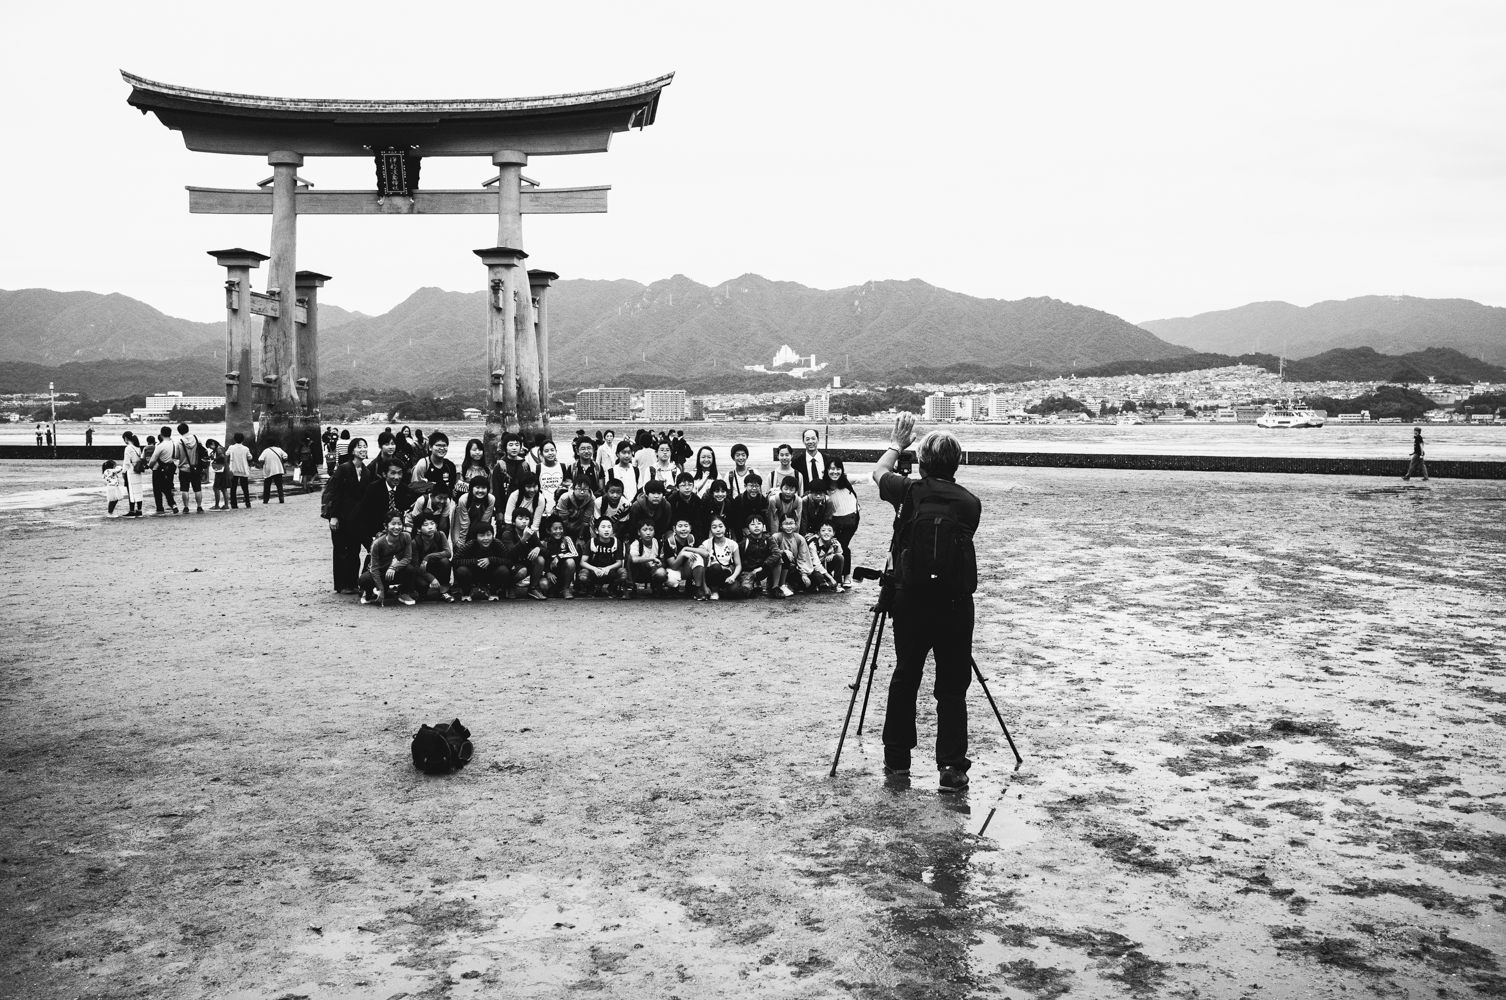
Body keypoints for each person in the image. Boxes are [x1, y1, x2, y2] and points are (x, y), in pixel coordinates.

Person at [873, 413, 981, 793]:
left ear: (921, 462)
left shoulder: (908, 492)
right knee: (952, 686)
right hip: (954, 604)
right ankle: (952, 766)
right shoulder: (971, 503)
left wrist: (896, 442)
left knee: (906, 674)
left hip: (910, 599)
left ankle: (897, 758)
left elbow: (878, 472)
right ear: (957, 462)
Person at [321, 437, 369, 593]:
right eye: (359, 447)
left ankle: (352, 583)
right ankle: (341, 585)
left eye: (365, 446)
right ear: (352, 451)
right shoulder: (343, 468)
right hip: (341, 516)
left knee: (354, 551)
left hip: (356, 519)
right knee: (341, 551)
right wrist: (333, 516)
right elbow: (335, 492)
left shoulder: (367, 471)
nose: (363, 449)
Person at [360, 512, 418, 606]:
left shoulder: (406, 537)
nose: (397, 527)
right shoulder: (377, 543)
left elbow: (407, 558)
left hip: (395, 572)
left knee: (410, 569)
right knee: (364, 579)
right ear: (385, 526)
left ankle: (404, 593)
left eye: (399, 524)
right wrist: (381, 589)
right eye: (393, 524)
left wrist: (394, 567)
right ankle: (369, 592)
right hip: (380, 572)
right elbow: (374, 568)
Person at [822, 460, 861, 585]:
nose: (835, 472)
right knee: (832, 545)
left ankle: (847, 575)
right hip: (833, 521)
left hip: (850, 520)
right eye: (831, 469)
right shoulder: (824, 485)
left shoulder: (847, 479)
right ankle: (831, 573)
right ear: (826, 470)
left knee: (843, 545)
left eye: (838, 469)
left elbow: (866, 477)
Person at [453, 521, 510, 601]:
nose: (486, 538)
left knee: (503, 570)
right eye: (482, 535)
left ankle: (492, 591)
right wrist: (475, 562)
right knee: (461, 571)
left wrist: (490, 560)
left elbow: (508, 561)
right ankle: (467, 592)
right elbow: (455, 561)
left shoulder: (497, 544)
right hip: (474, 574)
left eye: (489, 535)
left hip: (491, 574)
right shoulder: (470, 545)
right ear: (476, 537)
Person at [498, 509, 547, 600]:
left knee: (540, 559)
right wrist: (524, 539)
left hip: (525, 561)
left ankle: (532, 588)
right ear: (514, 521)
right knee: (522, 571)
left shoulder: (532, 533)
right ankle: (509, 586)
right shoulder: (508, 533)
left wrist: (538, 548)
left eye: (527, 519)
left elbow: (544, 550)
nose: (524, 521)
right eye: (520, 519)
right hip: (510, 564)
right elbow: (511, 553)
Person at [577, 518, 629, 598]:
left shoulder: (616, 542)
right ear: (597, 530)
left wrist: (608, 568)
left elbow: (619, 562)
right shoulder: (591, 542)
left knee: (623, 573)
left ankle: (611, 589)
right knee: (582, 575)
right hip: (594, 572)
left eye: (609, 527)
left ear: (612, 530)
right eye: (603, 527)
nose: (606, 530)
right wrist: (594, 569)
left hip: (610, 572)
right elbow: (583, 562)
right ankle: (591, 589)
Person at [410, 513, 454, 602]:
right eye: (426, 525)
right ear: (419, 529)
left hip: (438, 568)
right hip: (423, 571)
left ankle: (444, 591)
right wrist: (431, 579)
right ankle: (422, 593)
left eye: (432, 524)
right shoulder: (415, 543)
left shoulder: (440, 535)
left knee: (445, 561)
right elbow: (415, 566)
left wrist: (428, 557)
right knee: (421, 584)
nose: (430, 527)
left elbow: (448, 553)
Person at [696, 516, 741, 600]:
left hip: (727, 574)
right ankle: (714, 590)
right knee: (716, 567)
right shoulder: (706, 544)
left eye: (721, 526)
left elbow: (738, 565)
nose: (718, 529)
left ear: (725, 527)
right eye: (714, 527)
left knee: (736, 591)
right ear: (710, 529)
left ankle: (723, 590)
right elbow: (701, 566)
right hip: (712, 574)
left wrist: (733, 577)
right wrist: (704, 586)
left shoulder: (732, 544)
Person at [770, 513, 815, 597]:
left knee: (817, 578)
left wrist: (804, 574)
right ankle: (782, 584)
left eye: (791, 523)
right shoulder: (776, 537)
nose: (789, 526)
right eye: (785, 524)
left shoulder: (799, 538)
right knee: (784, 556)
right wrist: (783, 551)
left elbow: (803, 557)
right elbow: (771, 553)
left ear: (795, 525)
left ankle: (792, 584)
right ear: (780, 526)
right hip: (779, 568)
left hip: (795, 569)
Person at [451, 475, 498, 548]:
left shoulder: (491, 499)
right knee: (458, 544)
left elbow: (484, 521)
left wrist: (482, 540)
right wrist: (461, 543)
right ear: (471, 488)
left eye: (484, 488)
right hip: (461, 522)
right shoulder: (463, 500)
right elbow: (464, 523)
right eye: (477, 487)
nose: (480, 491)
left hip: (479, 523)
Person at [664, 518, 705, 598]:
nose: (683, 529)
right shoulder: (669, 542)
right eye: (680, 526)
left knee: (698, 557)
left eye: (686, 526)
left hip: (688, 569)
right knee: (672, 580)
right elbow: (673, 566)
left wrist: (686, 549)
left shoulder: (692, 538)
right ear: (674, 529)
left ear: (690, 528)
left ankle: (697, 589)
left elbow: (705, 553)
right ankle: (673, 588)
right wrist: (682, 554)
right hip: (675, 569)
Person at [738, 515, 778, 597]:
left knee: (779, 559)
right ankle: (753, 584)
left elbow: (776, 553)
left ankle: (775, 586)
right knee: (745, 592)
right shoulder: (744, 542)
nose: (756, 526)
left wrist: (762, 567)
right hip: (748, 572)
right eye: (752, 524)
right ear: (748, 529)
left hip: (764, 570)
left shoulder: (768, 539)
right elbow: (738, 559)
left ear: (763, 526)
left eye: (759, 523)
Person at [554, 478, 600, 549]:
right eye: (579, 489)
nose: (582, 492)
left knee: (584, 547)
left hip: (579, 527)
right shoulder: (565, 498)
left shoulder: (591, 499)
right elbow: (563, 519)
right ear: (573, 488)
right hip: (563, 527)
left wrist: (580, 537)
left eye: (585, 490)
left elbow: (586, 520)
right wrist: (564, 537)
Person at [539, 518, 579, 598]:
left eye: (560, 528)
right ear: (548, 531)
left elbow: (575, 554)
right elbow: (543, 563)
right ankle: (553, 589)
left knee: (570, 562)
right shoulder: (544, 543)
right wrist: (547, 573)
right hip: (551, 575)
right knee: (543, 585)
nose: (558, 531)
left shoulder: (567, 539)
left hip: (564, 574)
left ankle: (565, 588)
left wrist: (558, 557)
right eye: (555, 529)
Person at [411, 432, 457, 500]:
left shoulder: (450, 466)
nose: (441, 448)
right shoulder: (423, 464)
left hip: (445, 504)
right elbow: (414, 487)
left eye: (444, 445)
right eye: (438, 445)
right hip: (425, 505)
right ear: (430, 447)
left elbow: (451, 489)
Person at [628, 520, 668, 596]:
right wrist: (651, 559)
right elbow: (634, 559)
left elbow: (663, 561)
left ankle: (656, 586)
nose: (648, 533)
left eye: (651, 530)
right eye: (645, 530)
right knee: (630, 558)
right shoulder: (636, 543)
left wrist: (658, 565)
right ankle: (630, 587)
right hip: (639, 573)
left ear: (654, 531)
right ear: (639, 532)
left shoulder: (659, 544)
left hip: (653, 571)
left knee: (661, 573)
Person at [173, 422, 206, 513]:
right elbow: (203, 451)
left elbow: (176, 456)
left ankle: (186, 507)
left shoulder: (179, 441)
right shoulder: (197, 438)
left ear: (179, 431)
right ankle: (199, 506)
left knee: (184, 489)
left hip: (184, 468)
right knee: (197, 488)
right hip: (196, 468)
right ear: (188, 429)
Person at [149, 426, 180, 515]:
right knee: (167, 488)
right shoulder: (174, 444)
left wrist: (149, 466)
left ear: (161, 434)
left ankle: (160, 508)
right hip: (170, 467)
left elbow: (153, 459)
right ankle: (173, 504)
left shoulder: (160, 446)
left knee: (157, 489)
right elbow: (176, 456)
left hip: (159, 469)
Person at [729, 473, 770, 538]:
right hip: (742, 529)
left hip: (757, 529)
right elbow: (736, 522)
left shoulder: (762, 500)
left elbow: (764, 519)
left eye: (757, 486)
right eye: (751, 486)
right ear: (745, 486)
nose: (754, 488)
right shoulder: (739, 500)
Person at [669, 473, 707, 539]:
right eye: (683, 485)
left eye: (690, 485)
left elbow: (697, 520)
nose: (687, 488)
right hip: (676, 528)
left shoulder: (696, 500)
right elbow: (670, 519)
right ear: (677, 487)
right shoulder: (672, 500)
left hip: (691, 528)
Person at [810, 522, 846, 592]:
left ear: (833, 533)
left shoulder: (835, 543)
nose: (826, 533)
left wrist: (833, 555)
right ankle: (817, 583)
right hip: (813, 568)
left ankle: (838, 584)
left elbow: (840, 553)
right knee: (818, 577)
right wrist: (831, 578)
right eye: (823, 530)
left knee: (839, 557)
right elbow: (816, 564)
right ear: (818, 533)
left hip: (825, 565)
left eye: (829, 530)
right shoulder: (813, 544)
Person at [225, 433, 253, 509]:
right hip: (243, 470)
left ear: (234, 439)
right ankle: (247, 502)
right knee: (245, 488)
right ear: (243, 439)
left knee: (233, 488)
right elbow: (250, 457)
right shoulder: (246, 448)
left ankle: (234, 504)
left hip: (233, 470)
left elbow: (226, 454)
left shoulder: (231, 447)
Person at [121, 431, 146, 517]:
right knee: (138, 491)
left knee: (130, 491)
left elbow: (126, 462)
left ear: (126, 438)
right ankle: (139, 510)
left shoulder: (128, 448)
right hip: (137, 471)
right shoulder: (138, 447)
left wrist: (123, 472)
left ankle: (131, 510)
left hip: (130, 471)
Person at [207, 438, 229, 510]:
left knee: (216, 488)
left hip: (220, 470)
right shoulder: (221, 448)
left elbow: (222, 456)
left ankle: (217, 505)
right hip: (225, 470)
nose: (210, 448)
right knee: (224, 488)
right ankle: (226, 505)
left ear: (213, 443)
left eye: (210, 446)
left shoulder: (218, 449)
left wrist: (214, 459)